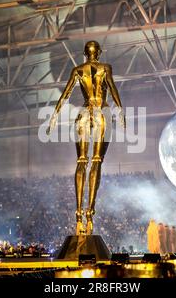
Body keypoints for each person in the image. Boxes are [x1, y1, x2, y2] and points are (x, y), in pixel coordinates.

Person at [46, 40, 126, 235]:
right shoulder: (105, 67)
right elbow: (113, 89)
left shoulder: (77, 70)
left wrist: (54, 117)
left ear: (85, 53)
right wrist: (120, 111)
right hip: (101, 112)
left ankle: (78, 213)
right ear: (98, 52)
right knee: (96, 161)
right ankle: (90, 212)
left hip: (83, 113)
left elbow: (65, 95)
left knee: (81, 161)